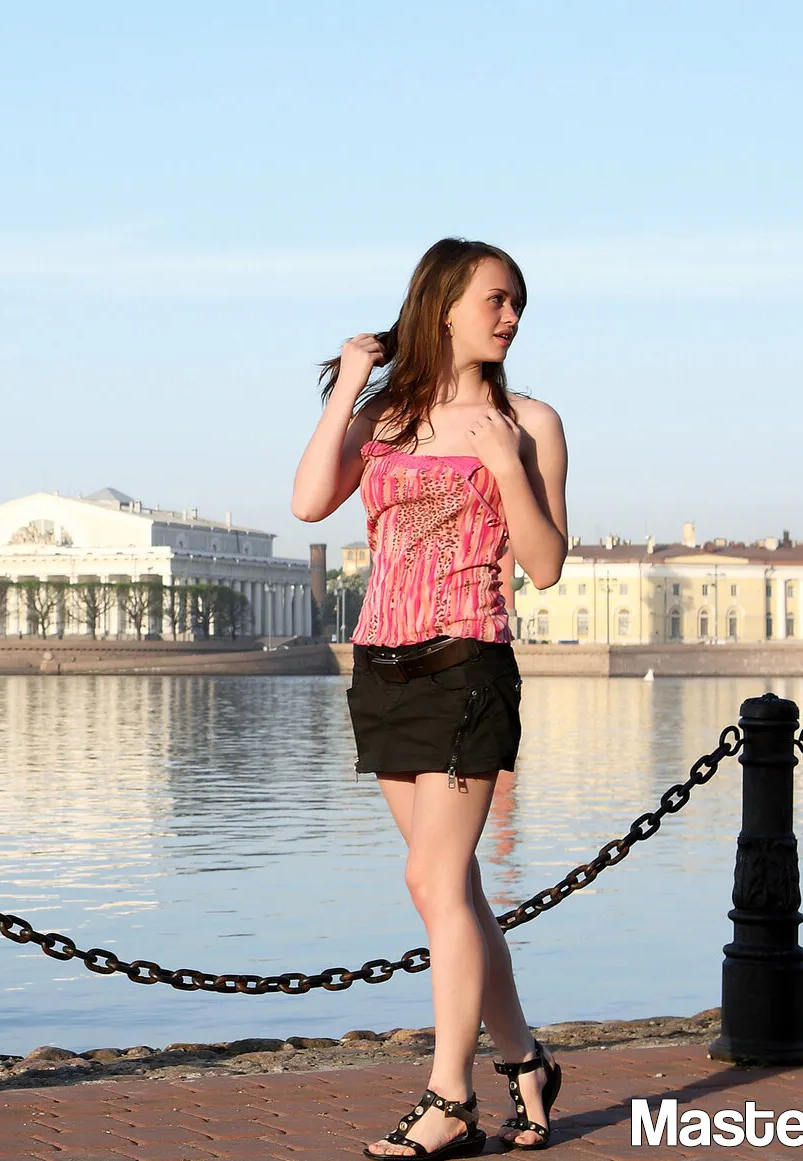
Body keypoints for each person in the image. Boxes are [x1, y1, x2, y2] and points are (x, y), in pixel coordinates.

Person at [291, 238, 569, 1157]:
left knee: (433, 881)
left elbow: (544, 564)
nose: (511, 316)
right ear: (444, 303)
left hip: (467, 666)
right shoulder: (385, 414)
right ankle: (525, 1060)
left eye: (518, 302)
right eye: (496, 298)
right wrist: (349, 385)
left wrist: (506, 465)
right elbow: (309, 503)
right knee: (458, 888)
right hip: (381, 671)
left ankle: (450, 1097)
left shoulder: (528, 420)